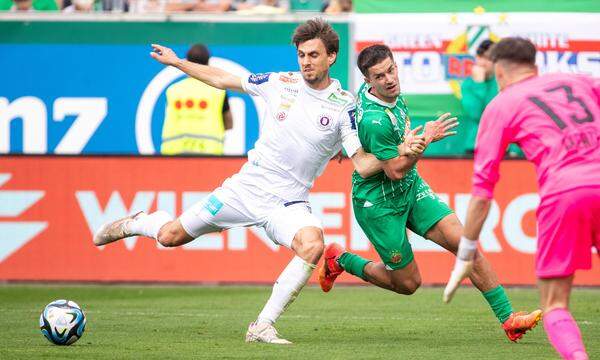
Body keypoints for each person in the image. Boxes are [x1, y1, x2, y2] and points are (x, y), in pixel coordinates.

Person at [92, 19, 419, 345]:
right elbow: (222, 79)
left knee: (313, 244)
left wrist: (399, 150)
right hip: (245, 189)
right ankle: (139, 223)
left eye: (314, 55)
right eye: (302, 55)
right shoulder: (280, 82)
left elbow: (361, 163)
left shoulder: (344, 105)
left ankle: (262, 326)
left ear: (331, 57)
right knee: (169, 236)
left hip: (289, 201)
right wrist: (178, 62)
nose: (306, 62)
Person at [319, 44, 542, 342]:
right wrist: (424, 142)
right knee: (409, 283)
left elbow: (399, 165)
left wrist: (414, 143)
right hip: (379, 204)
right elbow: (394, 169)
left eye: (391, 70)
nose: (389, 79)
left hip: (411, 189)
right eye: (380, 76)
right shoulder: (376, 121)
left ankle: (509, 319)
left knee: (466, 246)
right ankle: (341, 260)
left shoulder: (389, 95)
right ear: (367, 81)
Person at [445, 37, 600, 359]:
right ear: (535, 65)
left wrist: (465, 254)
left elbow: (483, 190)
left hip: (565, 193)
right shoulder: (581, 81)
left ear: (499, 72)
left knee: (556, 303)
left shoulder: (502, 104)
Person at [160, 44, 233, 155]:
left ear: (187, 62)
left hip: (174, 153)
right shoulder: (218, 91)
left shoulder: (173, 90)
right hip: (209, 152)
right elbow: (229, 123)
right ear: (208, 63)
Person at [461, 39, 522, 157]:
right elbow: (477, 114)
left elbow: (511, 116)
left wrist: (515, 149)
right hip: (475, 145)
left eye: (488, 58)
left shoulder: (504, 82)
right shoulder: (468, 84)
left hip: (502, 146)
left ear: (496, 62)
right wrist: (479, 84)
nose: (483, 63)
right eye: (480, 57)